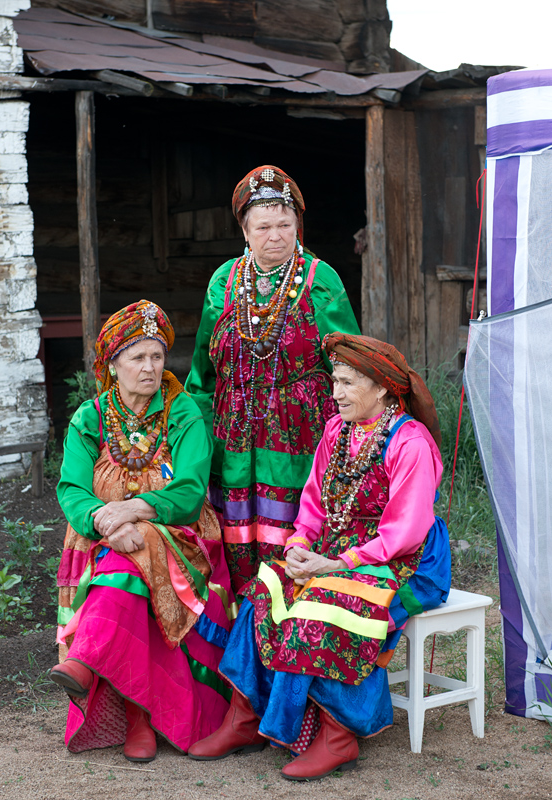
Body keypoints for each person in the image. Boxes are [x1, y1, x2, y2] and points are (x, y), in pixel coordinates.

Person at [188, 333, 451, 781]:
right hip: (335, 548)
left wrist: (338, 564)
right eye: (335, 381)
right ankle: (246, 717)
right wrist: (297, 547)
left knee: (328, 605)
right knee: (263, 590)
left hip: (401, 560)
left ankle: (338, 735)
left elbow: (404, 531)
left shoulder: (411, 443)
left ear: (383, 387)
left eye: (348, 383)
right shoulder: (336, 429)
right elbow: (312, 504)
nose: (336, 393)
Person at [50, 300, 235, 762]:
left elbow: (190, 491)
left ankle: (90, 664)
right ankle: (137, 717)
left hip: (182, 538)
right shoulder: (90, 418)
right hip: (104, 540)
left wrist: (132, 510)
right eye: (138, 358)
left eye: (157, 356)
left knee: (137, 551)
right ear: (113, 365)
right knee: (127, 561)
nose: (150, 368)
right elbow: (72, 489)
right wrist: (105, 523)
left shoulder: (183, 412)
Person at [185, 165, 360, 595]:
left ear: (298, 225)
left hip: (301, 437)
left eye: (285, 224)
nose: (276, 235)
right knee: (236, 539)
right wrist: (193, 436)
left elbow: (353, 364)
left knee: (294, 540)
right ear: (245, 230)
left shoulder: (322, 281)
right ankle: (242, 632)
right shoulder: (224, 282)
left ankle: (291, 628)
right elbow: (202, 371)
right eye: (263, 226)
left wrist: (355, 436)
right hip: (235, 438)